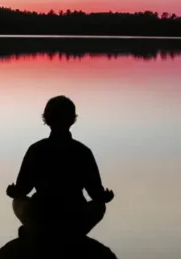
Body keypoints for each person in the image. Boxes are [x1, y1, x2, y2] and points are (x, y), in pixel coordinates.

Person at [6, 96, 114, 236]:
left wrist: (12, 192)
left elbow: (23, 189)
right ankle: (73, 234)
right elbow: (95, 192)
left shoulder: (36, 149)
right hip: (75, 215)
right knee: (99, 206)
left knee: (18, 202)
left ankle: (34, 230)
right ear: (72, 119)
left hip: (41, 214)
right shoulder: (82, 151)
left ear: (46, 119)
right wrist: (105, 196)